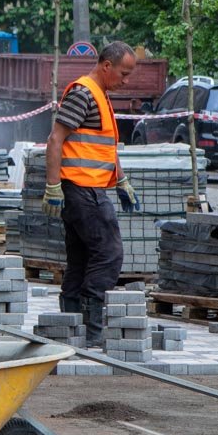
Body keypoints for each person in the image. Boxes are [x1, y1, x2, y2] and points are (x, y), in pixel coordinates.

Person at [43, 41, 139, 348]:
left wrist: (121, 180)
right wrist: (52, 186)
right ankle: (93, 326)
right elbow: (55, 140)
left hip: (87, 188)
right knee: (110, 253)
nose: (126, 81)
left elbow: (106, 146)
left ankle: (71, 327)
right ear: (106, 66)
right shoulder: (84, 93)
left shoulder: (100, 95)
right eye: (123, 73)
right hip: (82, 189)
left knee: (82, 257)